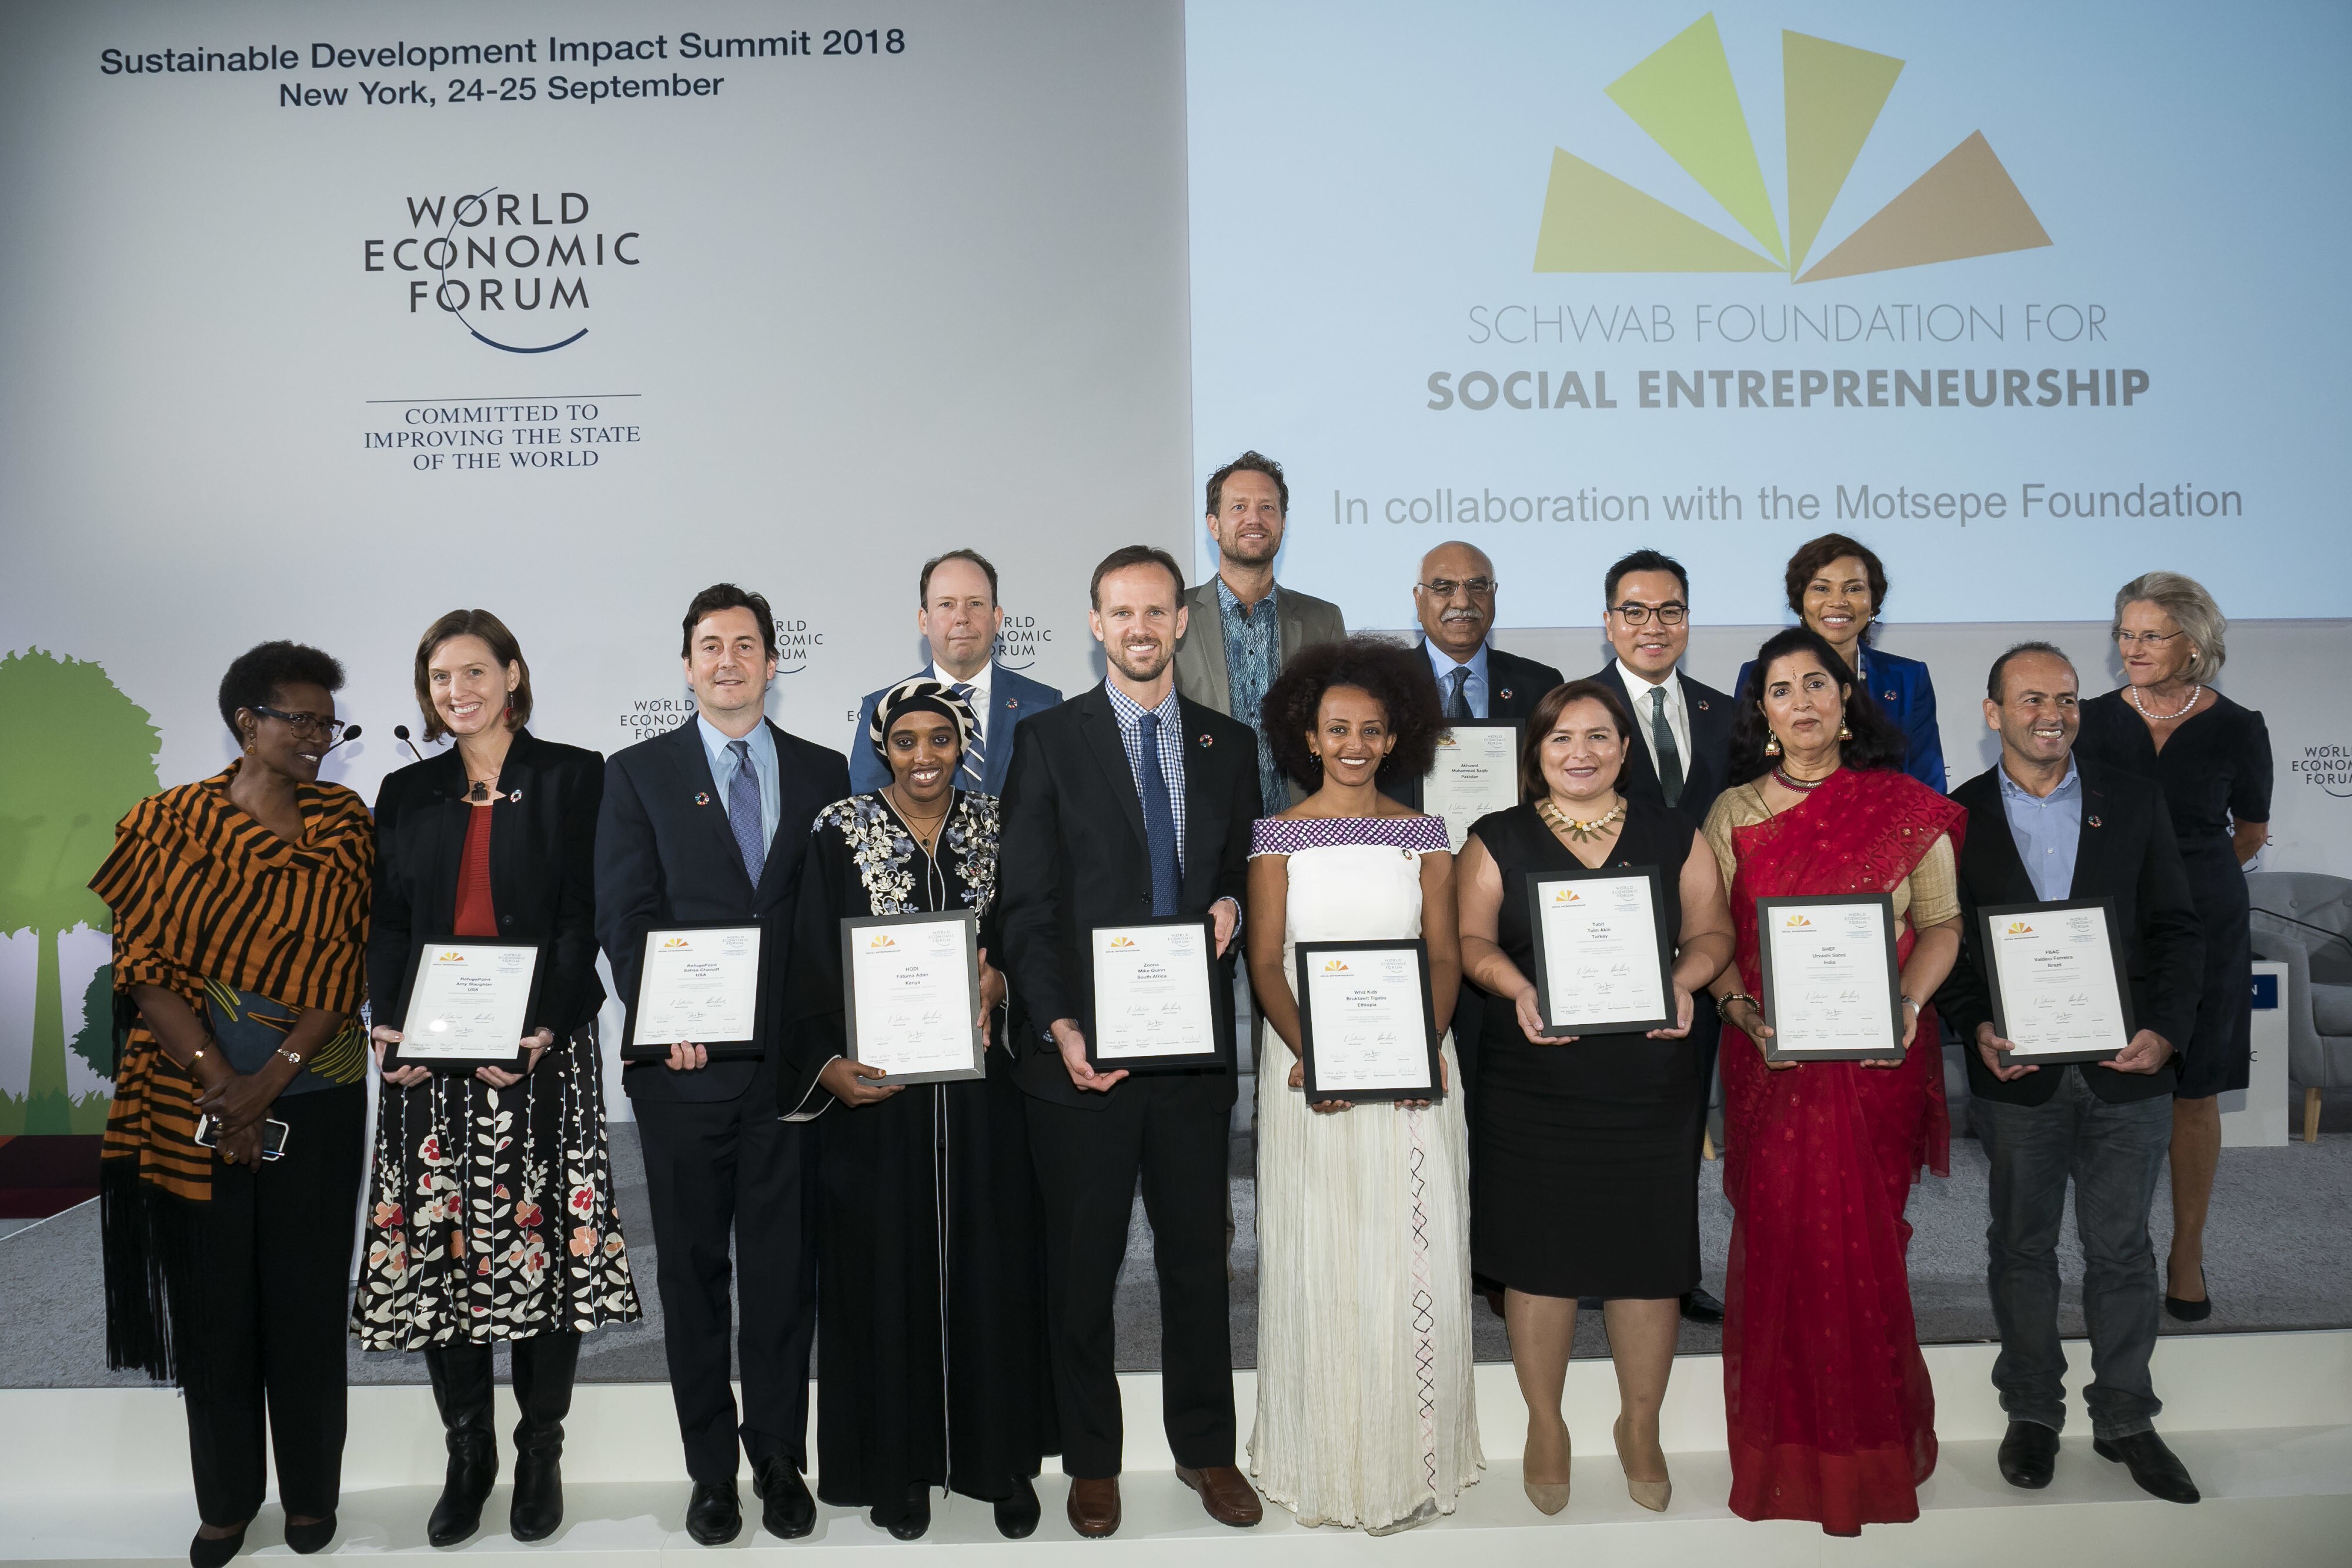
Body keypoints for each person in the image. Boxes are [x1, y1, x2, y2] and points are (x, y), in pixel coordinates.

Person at [352, 610, 640, 1546]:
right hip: (429, 1063)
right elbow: (389, 922)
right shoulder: (405, 789)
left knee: (541, 1251)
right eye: (439, 677)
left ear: (512, 673)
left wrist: (538, 1022)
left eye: (474, 670)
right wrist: (387, 1017)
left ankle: (541, 1450)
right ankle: (467, 1453)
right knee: (442, 1255)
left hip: (541, 1055)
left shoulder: (573, 775)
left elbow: (581, 915)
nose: (457, 690)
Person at [997, 545, 1264, 1538]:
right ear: (1097, 624)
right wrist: (1061, 1025)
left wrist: (1234, 897)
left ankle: (1205, 1448)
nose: (1142, 626)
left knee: (1201, 1258)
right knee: (1082, 1266)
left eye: (1158, 609)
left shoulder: (1226, 746)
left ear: (1181, 623)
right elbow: (1025, 907)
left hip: (1190, 1061)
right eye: (1123, 612)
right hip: (1082, 1062)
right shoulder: (1049, 742)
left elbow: (1240, 859)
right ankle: (1093, 1458)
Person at [91, 641, 373, 1566]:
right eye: (302, 719)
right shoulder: (163, 824)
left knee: (301, 1299)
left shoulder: (344, 823)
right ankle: (225, 1500)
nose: (320, 739)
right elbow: (144, 968)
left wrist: (267, 1082)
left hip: (319, 1094)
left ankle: (309, 1498)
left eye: (330, 723)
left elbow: (345, 968)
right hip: (189, 1104)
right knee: (214, 1304)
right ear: (247, 721)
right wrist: (225, 1086)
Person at [593, 584, 850, 1547]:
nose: (730, 660)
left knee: (785, 1276)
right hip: (685, 1072)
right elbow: (626, 916)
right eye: (711, 645)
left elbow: (831, 925)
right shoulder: (639, 775)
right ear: (688, 664)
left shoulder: (826, 772)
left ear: (773, 663)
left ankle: (780, 1457)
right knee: (695, 1277)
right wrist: (664, 1019)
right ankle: (710, 1473)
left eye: (747, 644)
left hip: (790, 1077)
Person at [1700, 625, 1966, 1534]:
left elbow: (1940, 923)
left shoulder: (1902, 804)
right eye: (1782, 689)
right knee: (1783, 1252)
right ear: (1763, 713)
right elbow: (1715, 942)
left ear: (1848, 700)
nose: (1804, 700)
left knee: (1864, 1255)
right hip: (1771, 1060)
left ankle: (1872, 1453)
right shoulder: (1733, 811)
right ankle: (1790, 1455)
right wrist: (1739, 1010)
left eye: (1820, 682)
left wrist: (1907, 1004)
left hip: (1877, 1060)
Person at [782, 679, 1054, 1542]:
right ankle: (894, 1463)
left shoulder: (999, 825)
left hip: (985, 1102)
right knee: (881, 1276)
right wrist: (826, 1066)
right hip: (880, 1103)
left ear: (962, 744)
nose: (924, 756)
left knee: (995, 1268)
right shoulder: (840, 829)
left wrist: (1001, 978)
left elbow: (1033, 931)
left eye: (941, 738)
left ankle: (998, 1459)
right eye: (906, 740)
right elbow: (805, 960)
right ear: (882, 746)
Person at [1457, 681, 1733, 1517]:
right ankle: (1546, 1422)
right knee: (1537, 1261)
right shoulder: (1495, 837)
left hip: (1647, 1078)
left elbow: (1713, 933)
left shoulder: (1672, 832)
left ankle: (1639, 1424)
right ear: (1535, 751)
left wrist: (1684, 982)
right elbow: (1468, 940)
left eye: (1600, 736)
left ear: (1625, 746)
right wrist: (1516, 986)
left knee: (1645, 1259)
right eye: (1561, 738)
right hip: (1533, 1076)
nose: (1580, 752)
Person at [1937, 643, 2204, 1505]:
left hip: (2129, 1070)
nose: (2052, 712)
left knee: (2122, 1249)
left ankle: (2127, 1415)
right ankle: (2033, 1412)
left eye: (2067, 697)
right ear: (1993, 712)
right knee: (2021, 1247)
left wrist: (2165, 1031)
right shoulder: (1959, 817)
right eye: (2030, 698)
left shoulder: (2134, 800)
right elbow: (1952, 950)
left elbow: (2174, 927)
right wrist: (1975, 1022)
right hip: (2020, 1079)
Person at [1242, 637, 1479, 1533]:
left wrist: (1419, 1049)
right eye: (1335, 727)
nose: (1351, 742)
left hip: (1414, 1070)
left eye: (1369, 729)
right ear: (1308, 734)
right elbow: (1267, 963)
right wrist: (1316, 1050)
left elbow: (1446, 954)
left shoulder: (1424, 837)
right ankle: (1324, 1458)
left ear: (1395, 738)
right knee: (1324, 1260)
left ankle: (1410, 1458)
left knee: (1405, 1259)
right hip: (1308, 1069)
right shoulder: (1277, 838)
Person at [2073, 572, 2271, 1322]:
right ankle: (2112, 1251)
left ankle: (2186, 1253)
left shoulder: (2238, 725)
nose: (2132, 648)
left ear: (2193, 642)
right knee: (2108, 1089)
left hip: (2209, 922)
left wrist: (2191, 873)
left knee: (2193, 1094)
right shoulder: (2088, 718)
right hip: (2111, 923)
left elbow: (2249, 829)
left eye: (2149, 635)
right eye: (2124, 634)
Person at [1589, 547, 1735, 1326]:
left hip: (1700, 955)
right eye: (1635, 610)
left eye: (1670, 609)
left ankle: (1676, 1269)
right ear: (1609, 621)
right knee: (1601, 1114)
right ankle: (1595, 1263)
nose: (1654, 625)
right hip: (1601, 952)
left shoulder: (1728, 713)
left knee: (1683, 1118)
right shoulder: (1578, 710)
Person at [1172, 450, 1348, 811]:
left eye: (1267, 508)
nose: (1255, 518)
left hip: (1300, 826)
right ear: (1213, 524)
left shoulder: (1323, 620)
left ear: (1283, 522)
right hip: (1204, 825)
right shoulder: (1176, 615)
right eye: (1238, 507)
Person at [1738, 533, 1946, 792]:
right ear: (1801, 601)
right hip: (1787, 824)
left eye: (1854, 589)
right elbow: (1748, 770)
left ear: (1873, 602)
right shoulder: (1758, 673)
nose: (1838, 602)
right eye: (1822, 588)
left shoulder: (1908, 678)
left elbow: (1928, 783)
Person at [848, 549, 1063, 797]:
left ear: (997, 618)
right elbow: (866, 814)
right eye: (946, 605)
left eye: (975, 604)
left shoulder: (1046, 705)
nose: (962, 617)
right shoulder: (886, 708)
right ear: (923, 621)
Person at [1409, 540, 1565, 730]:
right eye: (1444, 589)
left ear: (1494, 594)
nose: (1462, 602)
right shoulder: (1382, 684)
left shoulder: (1540, 686)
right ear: (1419, 601)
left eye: (1477, 587)